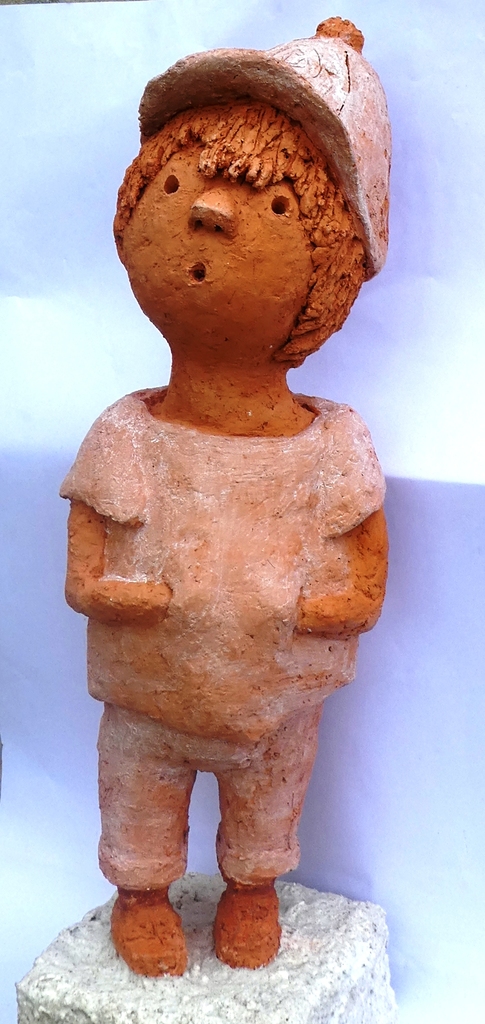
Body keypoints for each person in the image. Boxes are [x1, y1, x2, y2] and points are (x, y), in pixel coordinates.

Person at [61, 17, 391, 976]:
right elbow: (82, 573)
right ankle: (141, 892)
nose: (206, 211)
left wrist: (322, 610)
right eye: (174, 185)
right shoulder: (126, 433)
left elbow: (366, 582)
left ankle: (253, 888)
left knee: (269, 790)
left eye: (275, 204)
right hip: (147, 693)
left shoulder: (333, 446)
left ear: (329, 276)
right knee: (138, 785)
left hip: (275, 696)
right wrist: (123, 597)